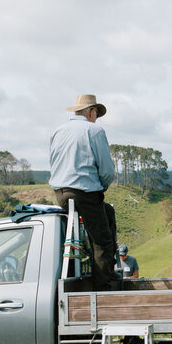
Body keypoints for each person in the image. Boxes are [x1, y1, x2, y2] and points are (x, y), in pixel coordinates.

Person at [49, 94, 121, 291]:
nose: (96, 118)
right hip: (84, 193)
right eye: (96, 113)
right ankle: (104, 287)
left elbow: (53, 162)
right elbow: (106, 169)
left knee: (107, 212)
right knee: (102, 241)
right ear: (91, 112)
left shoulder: (58, 131)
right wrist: (101, 188)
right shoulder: (94, 130)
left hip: (61, 193)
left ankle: (100, 270)